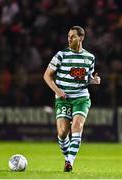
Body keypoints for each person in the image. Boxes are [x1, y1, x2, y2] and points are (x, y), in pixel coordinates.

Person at [43, 26, 101, 172]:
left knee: (77, 127)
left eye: (73, 36)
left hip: (81, 97)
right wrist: (58, 91)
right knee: (62, 133)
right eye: (68, 36)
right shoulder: (61, 55)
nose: (69, 39)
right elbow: (47, 75)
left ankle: (69, 162)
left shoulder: (90, 58)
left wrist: (93, 81)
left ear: (81, 38)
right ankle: (67, 157)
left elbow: (85, 78)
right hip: (63, 98)